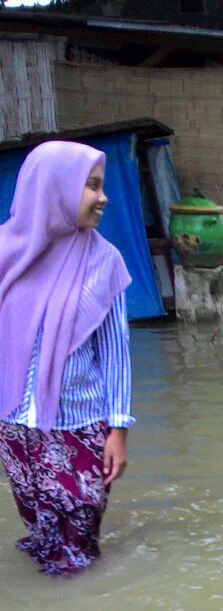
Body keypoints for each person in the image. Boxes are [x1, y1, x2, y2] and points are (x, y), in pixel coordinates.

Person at [0, 141, 134, 575]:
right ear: (54, 187)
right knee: (40, 538)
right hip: (13, 428)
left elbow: (115, 352)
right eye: (92, 186)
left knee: (75, 550)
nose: (103, 197)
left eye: (102, 186)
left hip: (80, 426)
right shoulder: (6, 254)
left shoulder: (105, 262)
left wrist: (118, 430)